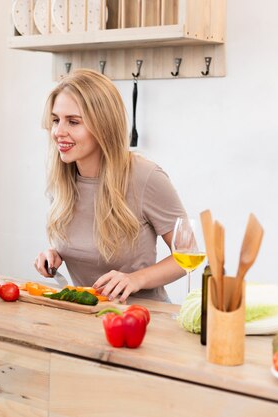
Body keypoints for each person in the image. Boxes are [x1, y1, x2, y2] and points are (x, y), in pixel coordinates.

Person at [33, 68, 186, 303]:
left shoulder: (146, 177)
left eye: (73, 122)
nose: (58, 132)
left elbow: (189, 255)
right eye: (55, 120)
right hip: (86, 316)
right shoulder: (63, 179)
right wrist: (53, 254)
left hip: (143, 320)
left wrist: (136, 279)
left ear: (103, 125)